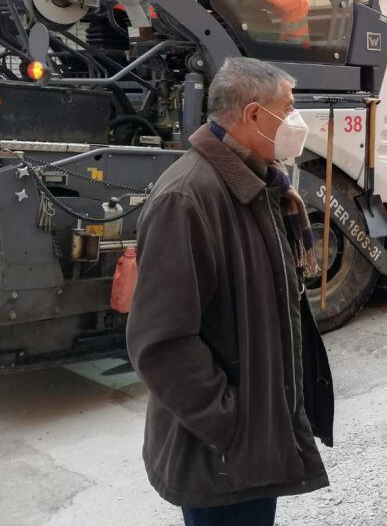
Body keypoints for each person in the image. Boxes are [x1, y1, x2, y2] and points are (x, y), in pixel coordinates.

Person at [127, 57, 334, 526]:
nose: (296, 120)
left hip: (250, 444)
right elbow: (161, 344)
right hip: (222, 455)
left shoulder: (256, 183)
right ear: (254, 115)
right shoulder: (188, 197)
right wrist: (234, 425)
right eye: (289, 107)